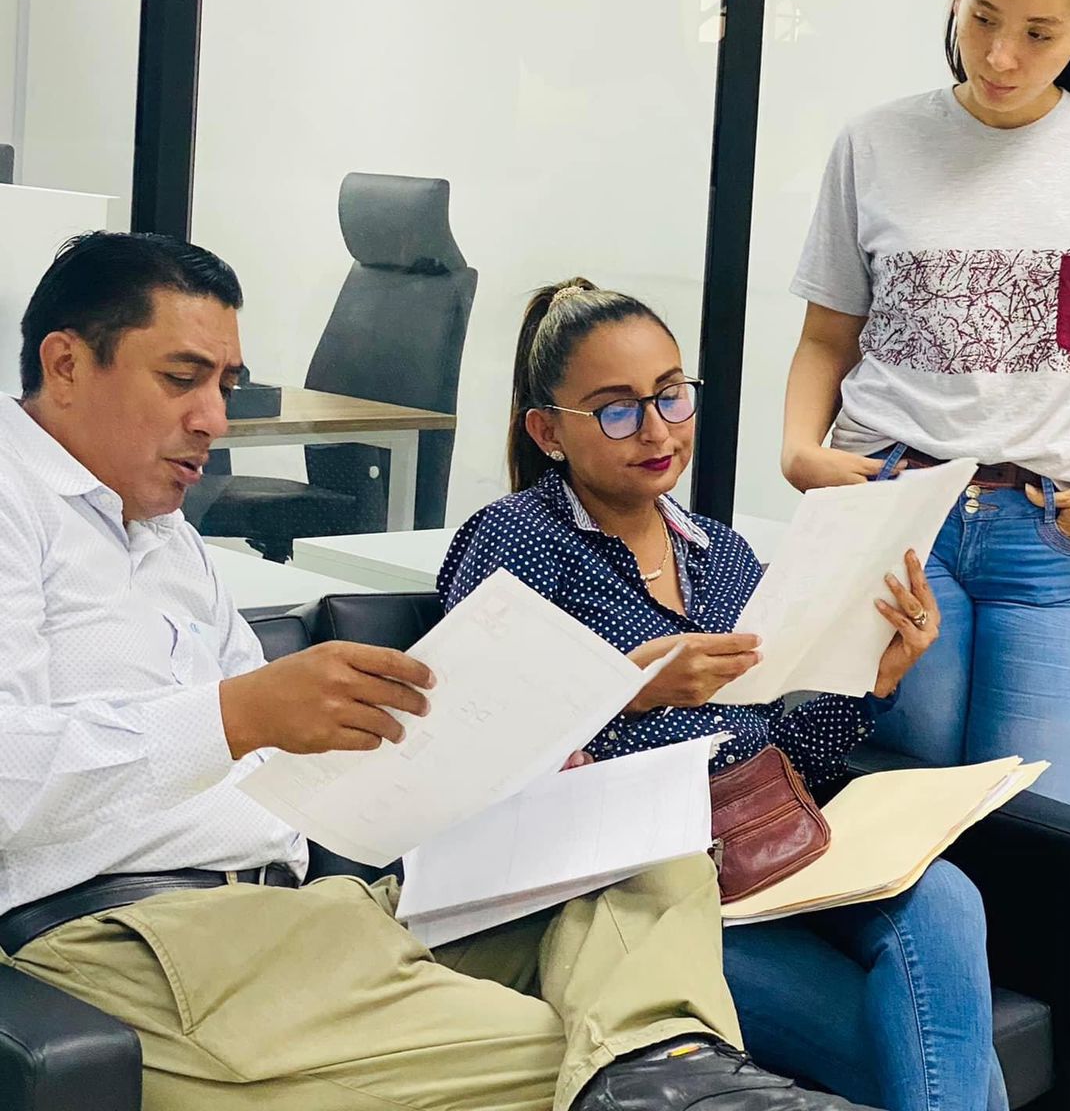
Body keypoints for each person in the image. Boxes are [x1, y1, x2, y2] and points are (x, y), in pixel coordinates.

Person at [0, 232, 875, 1111]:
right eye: (181, 379)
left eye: (225, 385)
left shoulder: (169, 540)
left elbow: (286, 775)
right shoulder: (15, 501)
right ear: (67, 365)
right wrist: (240, 715)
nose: (215, 420)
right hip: (142, 936)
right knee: (582, 1065)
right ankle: (669, 1075)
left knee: (649, 854)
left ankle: (668, 1064)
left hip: (319, 910)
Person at [438, 280, 1007, 1111]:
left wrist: (875, 681)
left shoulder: (722, 554)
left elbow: (778, 751)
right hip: (636, 891)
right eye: (618, 410)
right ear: (548, 431)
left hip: (761, 844)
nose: (659, 431)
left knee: (948, 895)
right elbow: (464, 745)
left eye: (671, 395)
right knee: (948, 1065)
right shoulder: (516, 540)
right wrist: (627, 692)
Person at [782, 0, 1070, 813]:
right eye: (982, 19)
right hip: (896, 514)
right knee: (891, 805)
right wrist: (800, 449)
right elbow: (827, 334)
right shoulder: (876, 142)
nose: (1002, 56)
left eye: (1039, 33)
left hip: (1058, 537)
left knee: (1045, 824)